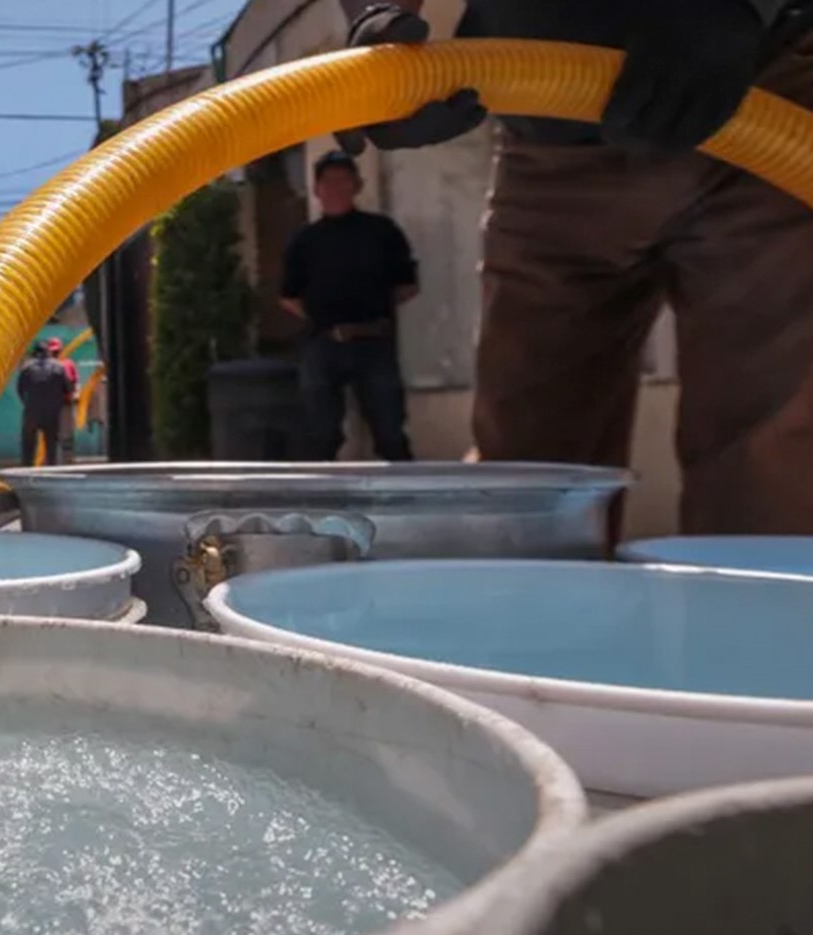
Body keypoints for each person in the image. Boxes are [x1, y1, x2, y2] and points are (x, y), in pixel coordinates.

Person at [333, 0, 813, 534]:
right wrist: (381, 25)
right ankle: (544, 614)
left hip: (759, 93)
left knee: (768, 475)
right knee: (528, 481)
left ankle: (767, 613)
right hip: (548, 134)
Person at [279, 149, 420, 461]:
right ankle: (320, 502)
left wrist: (370, 313)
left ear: (357, 185)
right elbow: (288, 296)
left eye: (344, 180)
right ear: (317, 190)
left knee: (390, 432)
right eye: (329, 181)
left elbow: (408, 285)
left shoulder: (382, 231)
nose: (336, 188)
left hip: (375, 343)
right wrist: (325, 319)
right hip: (323, 344)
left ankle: (406, 501)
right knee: (321, 434)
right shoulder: (304, 240)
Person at [17, 339, 75, 466]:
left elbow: (20, 390)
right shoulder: (58, 367)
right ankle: (53, 472)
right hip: (52, 411)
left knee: (29, 444)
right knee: (52, 444)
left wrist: (28, 403)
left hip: (32, 411)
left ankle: (26, 472)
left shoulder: (26, 368)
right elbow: (68, 388)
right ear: (48, 352)